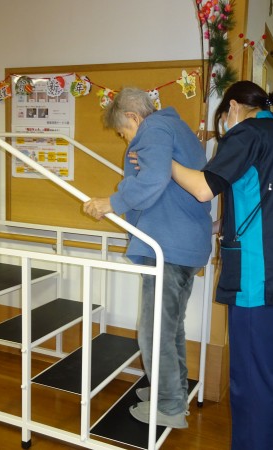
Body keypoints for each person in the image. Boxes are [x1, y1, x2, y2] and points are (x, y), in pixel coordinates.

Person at [171, 80, 273, 449]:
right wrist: (218, 226)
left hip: (258, 285)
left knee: (251, 388)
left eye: (223, 118)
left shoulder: (247, 133)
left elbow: (203, 187)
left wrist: (163, 162)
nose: (223, 126)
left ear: (232, 107)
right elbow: (263, 204)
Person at [83, 87, 212, 429]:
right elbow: (161, 179)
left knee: (154, 333)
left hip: (168, 246)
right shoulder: (175, 127)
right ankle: (172, 392)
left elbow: (153, 180)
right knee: (170, 328)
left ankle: (168, 406)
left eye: (123, 132)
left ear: (133, 117)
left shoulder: (154, 128)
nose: (126, 141)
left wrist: (111, 202)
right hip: (182, 246)